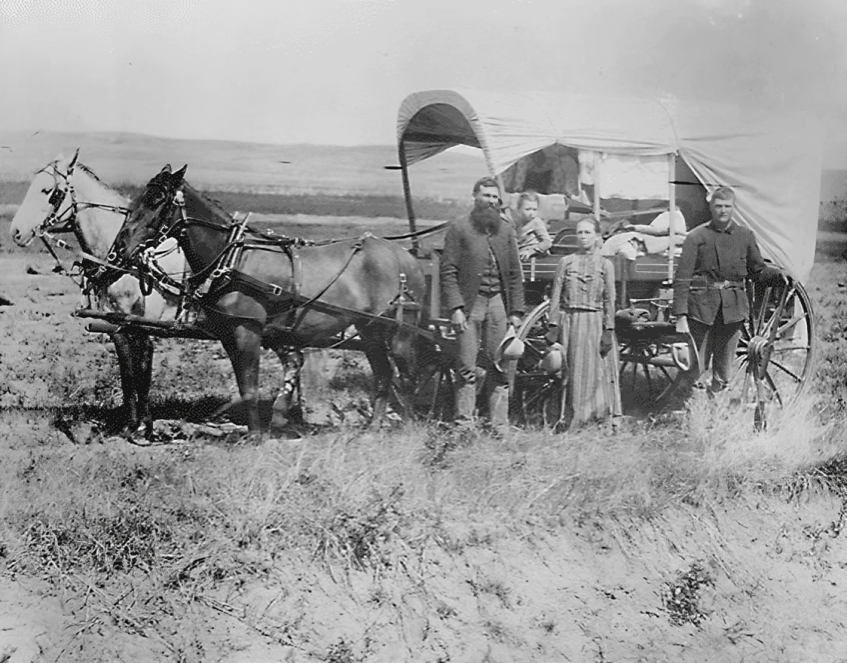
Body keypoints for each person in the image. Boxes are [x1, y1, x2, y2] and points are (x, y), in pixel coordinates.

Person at [672, 186, 785, 393]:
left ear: (734, 208)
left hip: (732, 311)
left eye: (727, 206)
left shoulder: (745, 236)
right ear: (711, 207)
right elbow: (682, 278)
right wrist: (680, 315)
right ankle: (694, 412)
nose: (722, 210)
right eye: (718, 206)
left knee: (724, 369)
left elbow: (757, 270)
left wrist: (779, 275)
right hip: (701, 308)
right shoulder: (696, 237)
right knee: (697, 366)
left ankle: (716, 409)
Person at [441, 176, 525, 433]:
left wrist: (516, 312)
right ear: (474, 196)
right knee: (467, 366)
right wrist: (455, 307)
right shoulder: (459, 228)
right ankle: (464, 424)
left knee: (499, 365)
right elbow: (448, 271)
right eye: (486, 196)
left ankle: (499, 425)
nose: (490, 201)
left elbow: (514, 274)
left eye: (494, 197)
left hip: (498, 303)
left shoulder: (506, 230)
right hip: (470, 305)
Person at [545, 218, 622, 428]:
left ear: (597, 236)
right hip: (571, 322)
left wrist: (609, 329)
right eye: (580, 233)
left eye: (588, 232)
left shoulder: (606, 265)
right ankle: (570, 419)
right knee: (572, 372)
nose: (583, 237)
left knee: (596, 372)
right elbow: (556, 295)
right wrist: (554, 325)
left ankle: (598, 418)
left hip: (595, 322)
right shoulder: (566, 262)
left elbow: (609, 299)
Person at [513, 191, 553, 260]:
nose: (532, 213)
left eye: (534, 209)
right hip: (519, 252)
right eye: (528, 209)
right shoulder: (515, 222)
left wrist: (533, 250)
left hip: (534, 254)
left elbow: (547, 242)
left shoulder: (536, 222)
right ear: (519, 210)